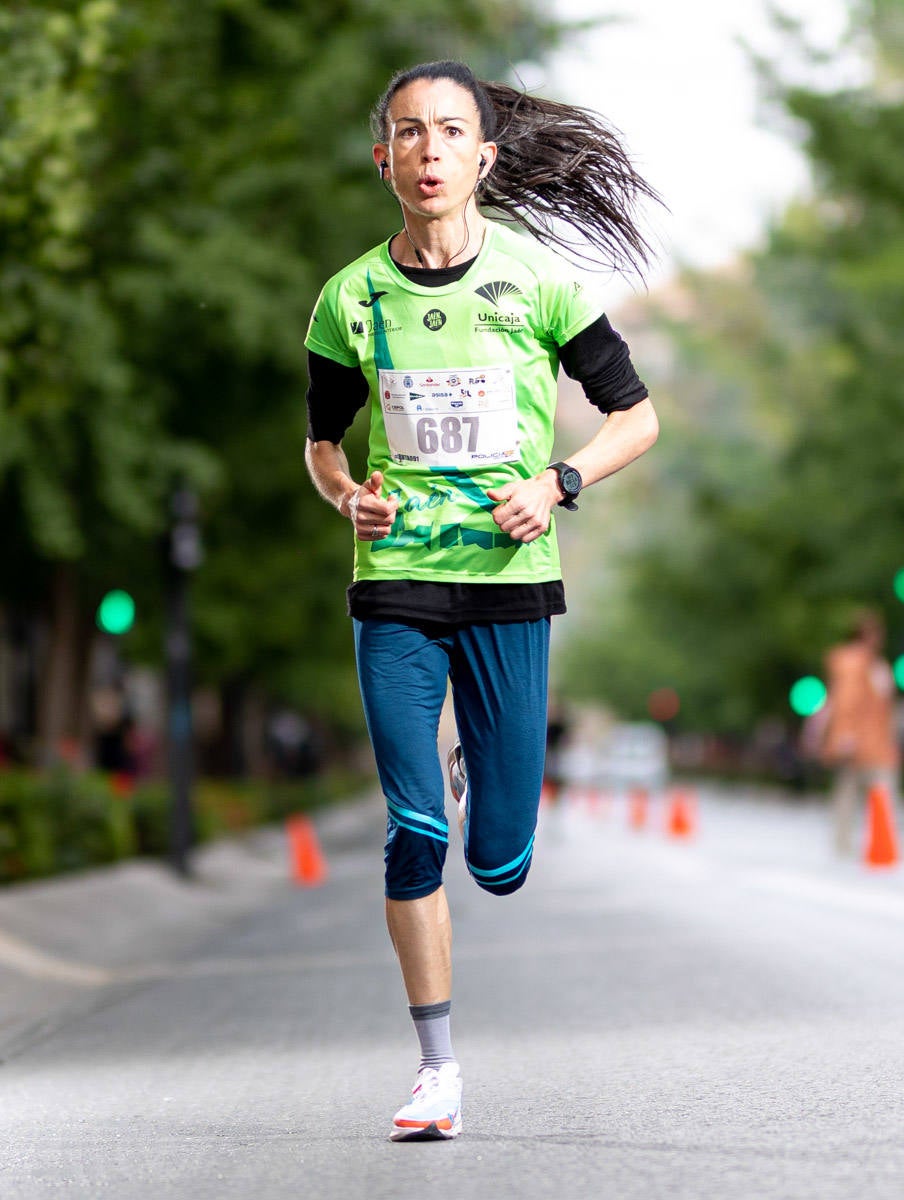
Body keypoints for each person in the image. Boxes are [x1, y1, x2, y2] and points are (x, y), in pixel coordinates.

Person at [304, 60, 659, 1141]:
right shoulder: (347, 298)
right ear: (384, 159)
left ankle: (472, 768)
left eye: (448, 132)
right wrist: (346, 498)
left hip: (509, 583)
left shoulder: (538, 284)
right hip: (399, 583)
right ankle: (436, 1070)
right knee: (413, 831)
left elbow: (635, 419)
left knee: (498, 864)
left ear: (483, 158)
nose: (426, 152)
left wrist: (557, 483)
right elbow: (322, 448)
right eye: (406, 134)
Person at [819, 610, 900, 855]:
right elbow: (846, 703)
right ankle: (846, 846)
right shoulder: (851, 662)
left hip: (877, 743)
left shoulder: (877, 664)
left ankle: (874, 842)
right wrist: (845, 736)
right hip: (857, 742)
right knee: (852, 794)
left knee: (868, 793)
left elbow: (884, 707)